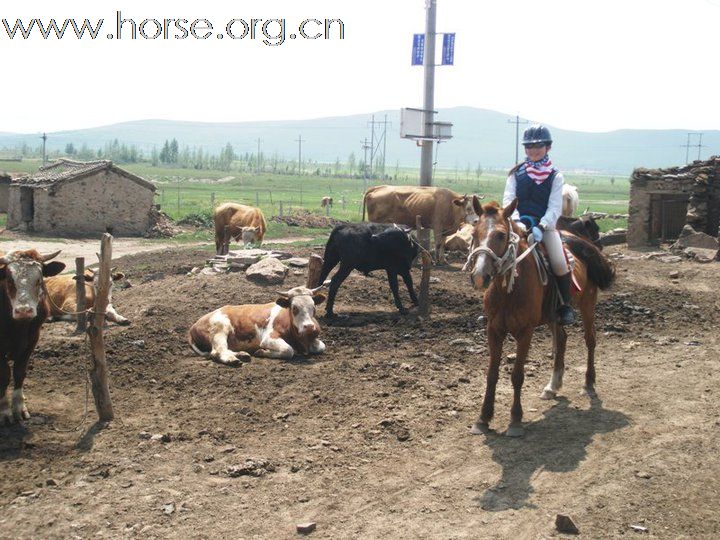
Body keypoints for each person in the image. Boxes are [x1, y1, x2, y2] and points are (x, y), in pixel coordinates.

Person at [503, 124, 575, 325]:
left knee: (560, 262)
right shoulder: (515, 173)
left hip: (545, 227)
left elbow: (554, 206)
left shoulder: (555, 175)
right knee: (495, 254)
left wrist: (542, 226)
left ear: (548, 147)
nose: (533, 150)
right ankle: (495, 303)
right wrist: (517, 222)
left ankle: (564, 305)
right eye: (529, 147)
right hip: (518, 225)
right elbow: (508, 200)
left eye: (538, 146)